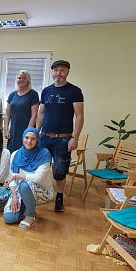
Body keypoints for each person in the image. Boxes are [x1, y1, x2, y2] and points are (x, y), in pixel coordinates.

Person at [36, 60, 84, 212]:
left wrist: (74, 138)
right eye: (55, 70)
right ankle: (40, 194)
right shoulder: (46, 91)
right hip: (44, 137)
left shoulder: (74, 91)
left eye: (62, 70)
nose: (58, 73)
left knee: (59, 172)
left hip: (63, 139)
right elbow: (41, 113)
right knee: (40, 168)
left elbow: (80, 116)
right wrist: (35, 133)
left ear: (67, 72)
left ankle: (59, 198)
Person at [3, 127, 54, 230]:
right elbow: (11, 178)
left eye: (33, 138)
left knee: (25, 184)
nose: (29, 141)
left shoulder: (44, 154)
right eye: (26, 137)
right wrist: (14, 197)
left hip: (42, 191)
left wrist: (16, 176)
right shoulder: (15, 154)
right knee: (9, 218)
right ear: (22, 138)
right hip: (20, 191)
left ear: (37, 140)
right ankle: (26, 206)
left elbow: (38, 178)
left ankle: (30, 215)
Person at [4, 70, 39, 152]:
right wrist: (6, 129)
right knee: (12, 154)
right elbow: (7, 115)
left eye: (24, 78)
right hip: (13, 131)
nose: (21, 80)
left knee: (25, 153)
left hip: (26, 131)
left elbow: (34, 115)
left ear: (28, 80)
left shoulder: (33, 94)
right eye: (19, 78)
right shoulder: (12, 95)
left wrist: (28, 132)